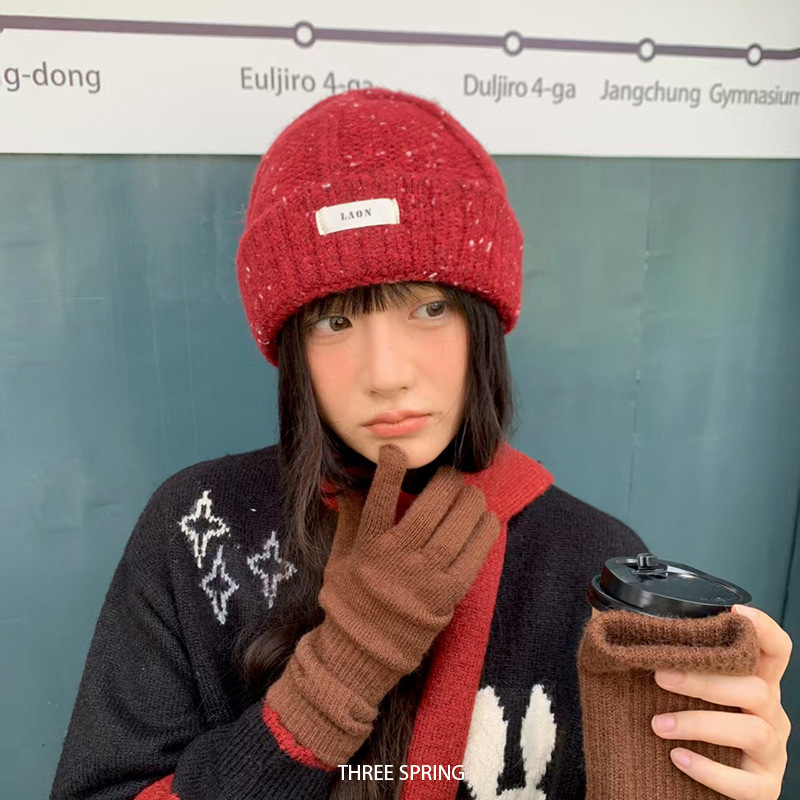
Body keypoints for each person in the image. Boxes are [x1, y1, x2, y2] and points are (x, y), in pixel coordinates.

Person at [50, 87, 791, 800]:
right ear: (292, 347)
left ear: (482, 321)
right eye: (335, 321)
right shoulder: (201, 529)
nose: (386, 375)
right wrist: (330, 683)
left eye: (429, 308)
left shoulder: (590, 564)